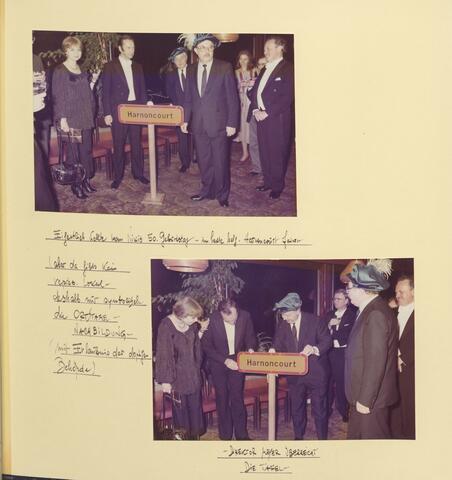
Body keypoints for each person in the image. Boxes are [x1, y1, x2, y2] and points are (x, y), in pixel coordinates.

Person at [181, 34, 239, 208]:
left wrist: (232, 123)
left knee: (220, 161)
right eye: (203, 47)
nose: (207, 51)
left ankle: (222, 194)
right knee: (204, 160)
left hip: (219, 123)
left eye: (210, 47)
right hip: (198, 124)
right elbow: (188, 98)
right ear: (196, 50)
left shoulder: (224, 67)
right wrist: (185, 120)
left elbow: (232, 98)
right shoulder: (190, 70)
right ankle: (207, 190)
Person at [344, 260, 399, 439]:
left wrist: (365, 400)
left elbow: (376, 361)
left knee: (374, 445)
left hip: (370, 399)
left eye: (349, 288)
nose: (347, 292)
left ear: (362, 289)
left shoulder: (375, 313)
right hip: (362, 393)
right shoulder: (369, 310)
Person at [270, 293, 331, 440]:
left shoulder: (315, 321)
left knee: (319, 409)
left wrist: (314, 348)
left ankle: (322, 439)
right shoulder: (283, 324)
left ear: (298, 310)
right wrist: (273, 350)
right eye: (283, 315)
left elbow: (327, 341)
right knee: (296, 408)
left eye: (287, 314)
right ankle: (298, 437)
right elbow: (277, 344)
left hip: (316, 372)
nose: (285, 318)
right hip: (294, 374)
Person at [201, 299, 256, 440]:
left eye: (235, 318)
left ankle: (242, 435)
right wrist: (225, 360)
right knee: (222, 398)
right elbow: (206, 346)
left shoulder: (245, 316)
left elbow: (250, 336)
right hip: (218, 362)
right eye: (229, 320)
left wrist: (250, 348)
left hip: (237, 360)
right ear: (221, 314)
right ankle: (225, 435)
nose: (233, 322)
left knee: (237, 397)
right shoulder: (212, 320)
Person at [247, 36, 294, 199]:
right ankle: (267, 182)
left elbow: (287, 97)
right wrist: (255, 110)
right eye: (264, 49)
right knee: (264, 151)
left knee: (276, 153)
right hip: (260, 116)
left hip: (276, 119)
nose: (265, 52)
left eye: (268, 48)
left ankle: (277, 185)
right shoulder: (264, 69)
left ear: (280, 48)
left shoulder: (288, 68)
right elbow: (255, 92)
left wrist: (267, 112)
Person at [52, 36, 96, 200]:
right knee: (74, 155)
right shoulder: (60, 70)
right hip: (71, 118)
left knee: (86, 152)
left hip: (85, 116)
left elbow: (87, 93)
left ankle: (85, 181)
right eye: (72, 50)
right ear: (66, 51)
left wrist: (92, 83)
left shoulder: (81, 69)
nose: (76, 53)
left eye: (78, 49)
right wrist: (62, 118)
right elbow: (58, 96)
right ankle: (76, 185)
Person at [155, 297, 205, 440]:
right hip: (177, 379)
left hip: (193, 377)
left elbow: (196, 349)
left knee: (195, 412)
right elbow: (164, 354)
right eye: (193, 317)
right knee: (181, 415)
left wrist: (197, 369)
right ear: (182, 314)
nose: (196, 320)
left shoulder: (192, 325)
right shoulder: (166, 326)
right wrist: (166, 381)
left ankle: (195, 440)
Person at [102, 35, 148, 189]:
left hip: (135, 109)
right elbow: (105, 92)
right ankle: (118, 176)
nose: (131, 50)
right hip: (119, 110)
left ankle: (138, 173)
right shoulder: (110, 66)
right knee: (118, 144)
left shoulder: (138, 66)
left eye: (133, 47)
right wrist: (107, 113)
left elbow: (142, 90)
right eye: (128, 47)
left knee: (136, 143)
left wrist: (144, 109)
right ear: (120, 49)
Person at [323, 289, 356, 422]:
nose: (335, 301)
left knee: (341, 383)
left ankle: (344, 411)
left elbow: (350, 335)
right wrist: (329, 325)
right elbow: (321, 333)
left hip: (342, 353)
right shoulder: (329, 315)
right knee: (327, 382)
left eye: (339, 299)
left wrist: (334, 335)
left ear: (346, 301)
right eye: (334, 299)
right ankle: (327, 410)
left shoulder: (352, 315)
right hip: (329, 353)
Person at [390, 275, 415, 439]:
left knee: (410, 410)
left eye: (401, 291)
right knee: (395, 409)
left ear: (414, 292)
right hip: (392, 369)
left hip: (411, 370)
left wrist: (403, 358)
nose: (397, 295)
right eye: (396, 292)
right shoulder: (392, 312)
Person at [165, 47, 192, 173]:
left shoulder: (194, 71)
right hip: (179, 111)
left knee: (198, 136)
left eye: (182, 58)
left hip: (196, 110)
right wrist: (173, 105)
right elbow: (169, 93)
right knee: (182, 138)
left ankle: (199, 158)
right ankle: (185, 162)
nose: (180, 61)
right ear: (174, 62)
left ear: (186, 58)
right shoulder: (170, 76)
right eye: (177, 59)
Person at [234, 50, 256, 163]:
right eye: (241, 59)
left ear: (249, 60)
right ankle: (245, 152)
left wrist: (248, 84)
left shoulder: (254, 70)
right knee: (243, 127)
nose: (243, 61)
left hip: (252, 102)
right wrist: (241, 85)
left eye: (245, 59)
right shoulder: (236, 72)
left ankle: (254, 152)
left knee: (252, 128)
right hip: (242, 102)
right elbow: (235, 87)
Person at [248, 56, 267, 176]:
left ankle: (267, 168)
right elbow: (251, 96)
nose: (262, 66)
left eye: (264, 63)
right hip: (254, 114)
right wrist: (251, 86)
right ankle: (257, 167)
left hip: (267, 115)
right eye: (260, 64)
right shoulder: (256, 79)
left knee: (266, 144)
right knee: (254, 142)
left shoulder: (271, 78)